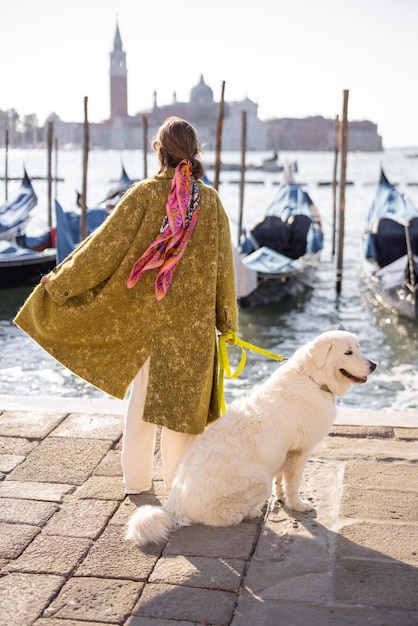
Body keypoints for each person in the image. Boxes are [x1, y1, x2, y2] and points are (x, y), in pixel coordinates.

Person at [14, 116, 239, 494]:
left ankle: (137, 484)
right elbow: (225, 271)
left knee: (142, 406)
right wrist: (227, 323)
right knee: (183, 413)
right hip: (193, 328)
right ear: (194, 153)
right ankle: (177, 488)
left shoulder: (142, 195)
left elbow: (101, 250)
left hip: (145, 324)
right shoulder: (211, 202)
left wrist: (61, 283)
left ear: (159, 151)